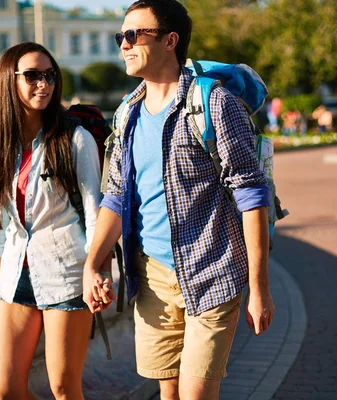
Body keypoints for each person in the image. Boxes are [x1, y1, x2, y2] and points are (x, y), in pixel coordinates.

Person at [82, 1, 275, 399]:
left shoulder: (213, 104)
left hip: (211, 274)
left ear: (171, 41)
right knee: (168, 394)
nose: (125, 44)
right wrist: (93, 263)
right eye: (122, 35)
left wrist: (259, 288)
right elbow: (116, 195)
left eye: (135, 34)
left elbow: (252, 197)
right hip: (152, 279)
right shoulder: (127, 113)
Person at [0, 42, 108, 400]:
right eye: (32, 75)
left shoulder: (72, 138)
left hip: (66, 275)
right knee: (5, 390)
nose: (43, 84)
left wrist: (96, 271)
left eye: (49, 75)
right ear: (9, 80)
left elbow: (96, 214)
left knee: (64, 389)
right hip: (14, 279)